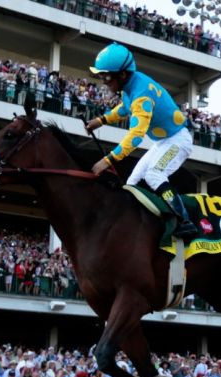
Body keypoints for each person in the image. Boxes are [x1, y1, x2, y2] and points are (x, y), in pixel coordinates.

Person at [85, 42, 197, 238]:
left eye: (107, 76)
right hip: (163, 141)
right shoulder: (131, 85)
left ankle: (184, 220)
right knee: (132, 182)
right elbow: (125, 108)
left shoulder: (141, 95)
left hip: (178, 141)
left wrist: (107, 160)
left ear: (122, 74)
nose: (103, 81)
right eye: (101, 76)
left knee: (154, 174)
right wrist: (101, 120)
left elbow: (136, 136)